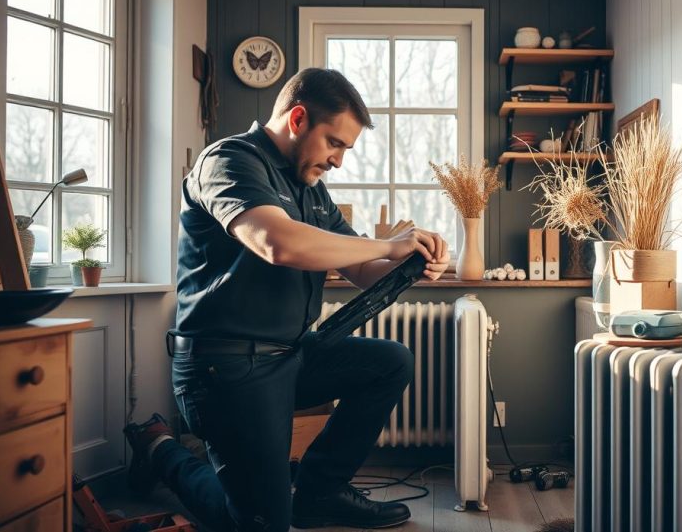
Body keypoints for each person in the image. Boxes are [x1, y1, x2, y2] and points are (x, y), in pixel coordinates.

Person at [124, 68, 450, 531]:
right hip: (225, 370)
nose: (338, 160)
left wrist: (413, 261)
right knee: (260, 524)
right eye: (334, 143)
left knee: (390, 361)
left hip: (290, 357)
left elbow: (361, 270)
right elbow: (278, 244)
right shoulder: (229, 161)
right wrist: (389, 243)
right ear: (298, 119)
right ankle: (163, 453)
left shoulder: (310, 186)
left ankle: (320, 493)